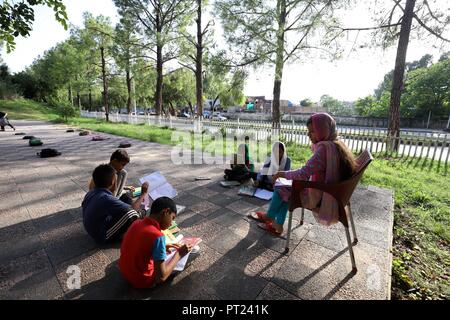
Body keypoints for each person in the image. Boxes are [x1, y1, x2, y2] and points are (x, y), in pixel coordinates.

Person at [248, 113, 357, 236]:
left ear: (323, 130)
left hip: (320, 195)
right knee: (287, 190)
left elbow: (303, 174)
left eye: (312, 132)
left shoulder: (324, 149)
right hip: (331, 193)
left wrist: (280, 174)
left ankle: (270, 217)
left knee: (281, 188)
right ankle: (277, 224)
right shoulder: (336, 144)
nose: (308, 135)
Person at [118, 197, 192, 288]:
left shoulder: (136, 223)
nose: (171, 223)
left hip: (124, 271)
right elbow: (161, 277)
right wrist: (179, 254)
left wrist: (163, 247)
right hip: (142, 280)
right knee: (189, 254)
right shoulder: (157, 236)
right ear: (165, 212)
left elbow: (140, 244)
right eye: (172, 218)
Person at [82, 164, 149, 244]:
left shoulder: (93, 192)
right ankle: (125, 234)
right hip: (101, 235)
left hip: (94, 226)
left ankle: (132, 223)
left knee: (126, 197)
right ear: (112, 182)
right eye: (115, 179)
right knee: (132, 213)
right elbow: (132, 210)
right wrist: (143, 194)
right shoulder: (105, 198)